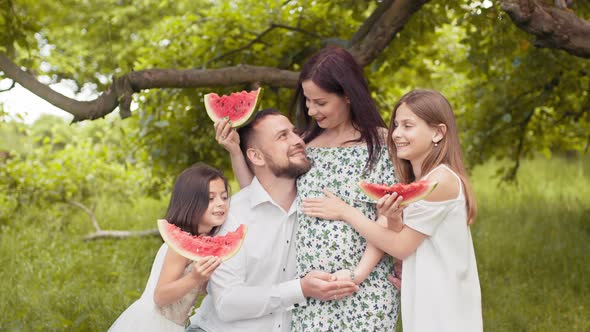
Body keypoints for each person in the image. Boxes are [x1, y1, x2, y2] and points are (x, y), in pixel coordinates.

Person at [214, 46, 400, 331]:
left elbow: (385, 218)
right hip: (311, 292)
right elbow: (264, 191)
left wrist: (356, 275)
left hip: (366, 287)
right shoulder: (306, 145)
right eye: (308, 101)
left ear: (348, 95)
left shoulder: (382, 145)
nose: (311, 110)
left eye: (320, 102)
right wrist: (236, 152)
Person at [302, 89, 483, 331]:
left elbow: (400, 245)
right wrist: (394, 220)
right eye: (396, 125)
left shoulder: (440, 182)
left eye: (408, 126)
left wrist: (345, 212)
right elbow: (406, 244)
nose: (397, 134)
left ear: (438, 133)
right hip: (427, 296)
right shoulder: (425, 180)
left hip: (445, 305)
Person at [187, 108, 359, 332]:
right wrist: (300, 289)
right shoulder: (233, 216)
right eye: (282, 136)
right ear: (256, 156)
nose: (298, 140)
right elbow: (227, 303)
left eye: (294, 132)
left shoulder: (321, 206)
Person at [109, 163, 229, 331]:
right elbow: (160, 296)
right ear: (191, 203)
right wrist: (194, 277)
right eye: (210, 198)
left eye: (224, 197)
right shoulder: (178, 247)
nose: (220, 203)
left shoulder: (203, 241)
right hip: (152, 324)